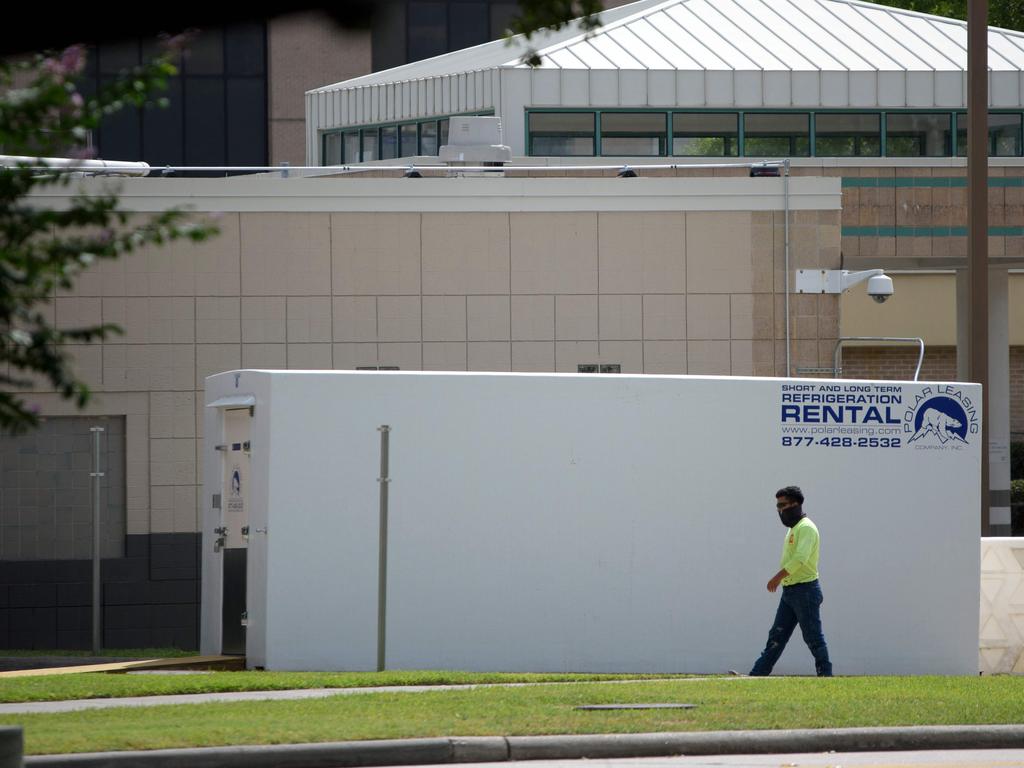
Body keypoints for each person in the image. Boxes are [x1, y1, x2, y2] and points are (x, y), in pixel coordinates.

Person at [749, 485, 833, 677]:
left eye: (783, 505)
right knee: (777, 636)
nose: (780, 510)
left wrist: (777, 578)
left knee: (813, 637)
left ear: (796, 504)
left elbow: (800, 559)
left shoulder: (806, 528)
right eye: (778, 506)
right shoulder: (794, 529)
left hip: (805, 590)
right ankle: (757, 674)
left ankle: (826, 675)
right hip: (791, 591)